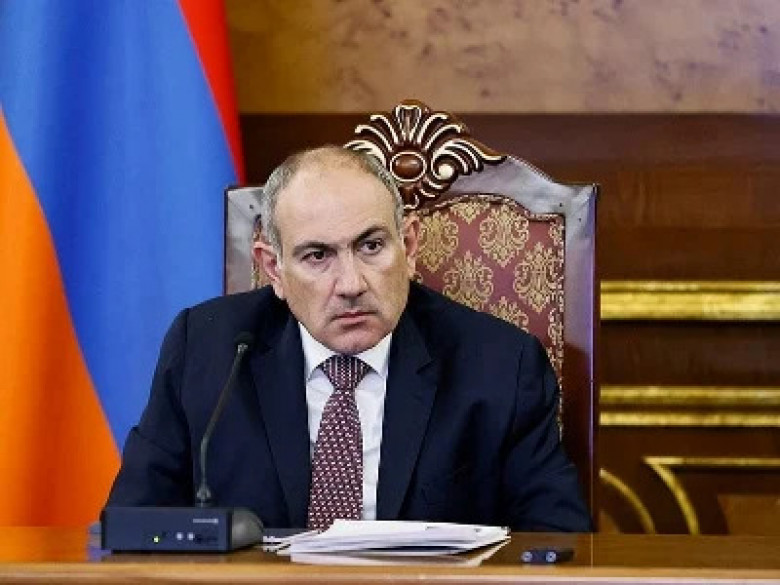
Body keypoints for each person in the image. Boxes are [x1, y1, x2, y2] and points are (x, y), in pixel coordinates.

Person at [107, 146, 592, 532]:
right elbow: (132, 527)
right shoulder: (207, 352)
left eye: (371, 246)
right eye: (317, 256)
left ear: (409, 246)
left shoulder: (500, 366)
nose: (351, 283)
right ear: (273, 269)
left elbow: (557, 540)